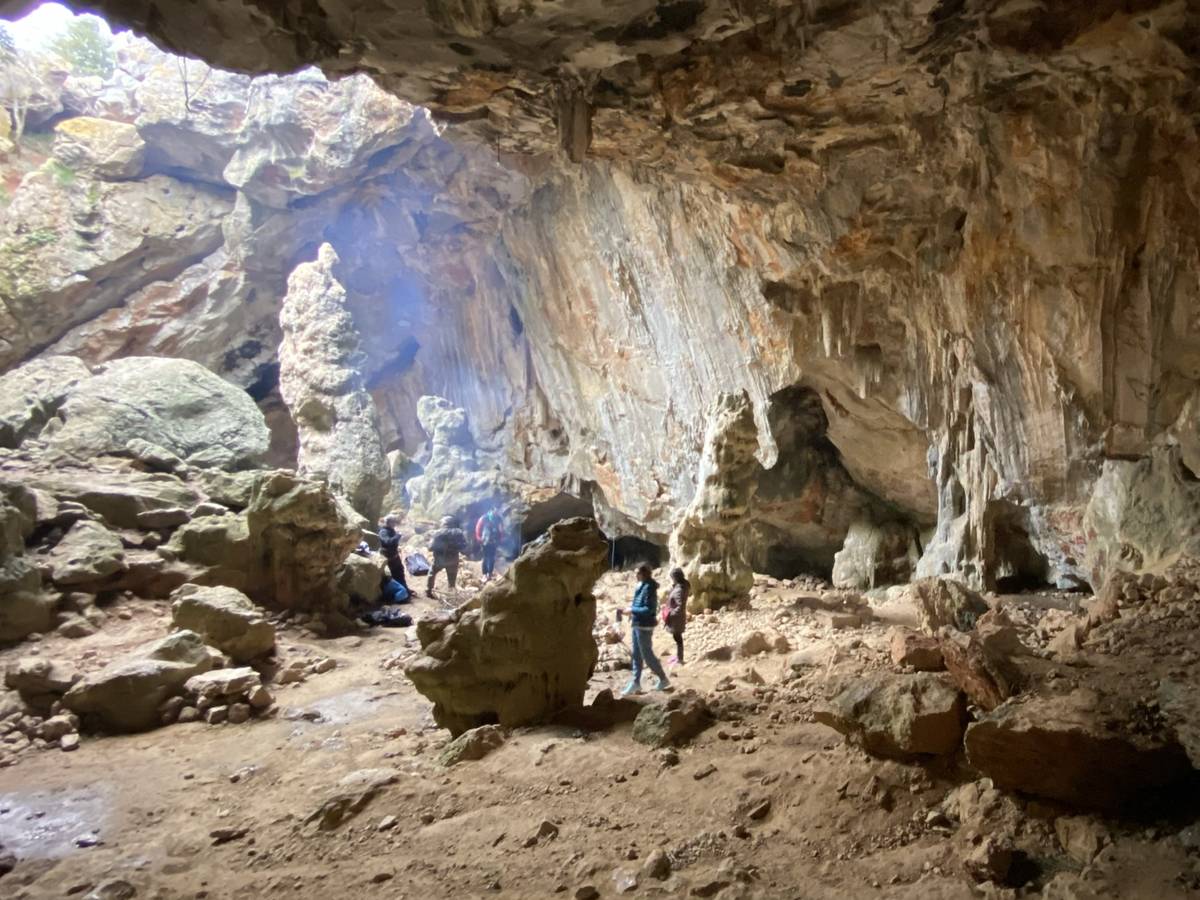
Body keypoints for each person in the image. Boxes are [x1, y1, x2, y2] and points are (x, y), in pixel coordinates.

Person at [622, 564, 670, 695]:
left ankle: (663, 678)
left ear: (643, 574)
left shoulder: (649, 588)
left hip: (644, 626)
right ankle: (635, 683)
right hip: (637, 623)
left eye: (637, 573)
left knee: (647, 655)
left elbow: (649, 610)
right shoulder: (642, 586)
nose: (635, 575)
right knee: (636, 655)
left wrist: (632, 610)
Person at [428, 515, 467, 597]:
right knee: (452, 580)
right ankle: (451, 595)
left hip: (439, 560)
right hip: (453, 560)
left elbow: (430, 547)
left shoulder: (437, 533)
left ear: (443, 523)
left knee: (432, 573)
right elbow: (464, 546)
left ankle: (429, 591)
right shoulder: (458, 532)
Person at [665, 567, 689, 665]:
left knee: (677, 638)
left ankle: (680, 659)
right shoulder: (681, 586)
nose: (672, 579)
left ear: (676, 577)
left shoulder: (680, 589)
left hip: (676, 618)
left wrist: (671, 613)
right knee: (677, 637)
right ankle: (679, 657)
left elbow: (680, 605)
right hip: (677, 617)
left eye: (672, 577)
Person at [475, 506, 505, 581]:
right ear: (491, 510)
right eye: (495, 510)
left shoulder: (498, 519)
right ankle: (484, 574)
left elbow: (501, 529)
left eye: (497, 511)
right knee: (485, 557)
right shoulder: (484, 518)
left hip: (494, 541)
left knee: (492, 558)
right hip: (484, 541)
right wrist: (478, 538)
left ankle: (490, 573)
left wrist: (501, 538)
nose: (497, 512)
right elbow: (478, 528)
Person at [378, 515, 408, 590]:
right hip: (389, 558)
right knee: (392, 575)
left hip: (395, 557)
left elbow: (393, 542)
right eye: (393, 522)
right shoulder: (383, 531)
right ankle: (396, 592)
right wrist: (397, 536)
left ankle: (405, 589)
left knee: (400, 572)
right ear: (389, 522)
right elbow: (387, 542)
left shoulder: (391, 530)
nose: (395, 524)